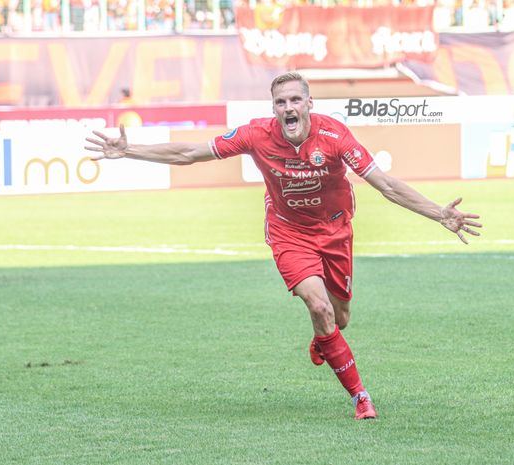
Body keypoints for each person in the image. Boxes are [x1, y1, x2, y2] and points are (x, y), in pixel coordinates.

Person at [85, 72, 482, 420]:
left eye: (295, 100)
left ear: (310, 103)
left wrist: (438, 214)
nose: (288, 107)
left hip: (335, 231)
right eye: (280, 102)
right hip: (288, 232)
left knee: (340, 318)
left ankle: (326, 338)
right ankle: (362, 397)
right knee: (319, 305)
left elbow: (387, 185)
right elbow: (191, 153)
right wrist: (129, 150)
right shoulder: (256, 134)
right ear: (273, 108)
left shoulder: (335, 136)